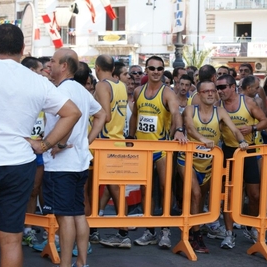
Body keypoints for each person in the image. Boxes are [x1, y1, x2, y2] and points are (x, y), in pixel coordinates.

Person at [0, 23, 81, 267]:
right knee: (11, 240)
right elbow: (72, 113)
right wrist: (44, 145)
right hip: (18, 164)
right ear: (23, 49)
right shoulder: (36, 81)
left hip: (16, 162)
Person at [43, 48, 106, 267]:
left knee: (64, 216)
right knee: (78, 214)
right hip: (78, 162)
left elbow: (71, 117)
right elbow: (101, 115)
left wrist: (60, 142)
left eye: (53, 60)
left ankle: (66, 264)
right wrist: (86, 140)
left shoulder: (61, 91)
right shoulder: (81, 90)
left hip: (62, 164)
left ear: (64, 66)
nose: (49, 64)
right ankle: (81, 262)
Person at [178, 80, 249, 253]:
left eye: (213, 91)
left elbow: (235, 129)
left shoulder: (220, 111)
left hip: (209, 163)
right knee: (195, 193)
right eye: (206, 91)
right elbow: (189, 126)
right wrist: (201, 139)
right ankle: (196, 237)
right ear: (199, 94)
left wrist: (241, 141)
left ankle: (192, 227)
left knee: (200, 197)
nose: (210, 94)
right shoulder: (190, 109)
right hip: (188, 160)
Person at [129, 55, 187, 249]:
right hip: (144, 149)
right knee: (146, 190)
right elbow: (135, 115)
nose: (155, 72)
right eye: (152, 68)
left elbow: (176, 113)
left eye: (159, 69)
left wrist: (179, 130)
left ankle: (165, 230)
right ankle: (150, 230)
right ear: (146, 70)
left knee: (165, 189)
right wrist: (130, 137)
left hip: (162, 148)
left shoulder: (167, 93)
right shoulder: (138, 91)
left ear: (163, 71)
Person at [217, 74, 267, 249]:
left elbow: (264, 121)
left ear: (233, 87)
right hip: (229, 151)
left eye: (223, 87)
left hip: (248, 150)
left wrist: (252, 127)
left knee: (254, 194)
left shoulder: (247, 102)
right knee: (229, 195)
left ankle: (250, 226)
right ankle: (229, 233)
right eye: (218, 88)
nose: (220, 91)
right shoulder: (218, 106)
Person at [93, 55, 129, 248]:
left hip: (106, 141)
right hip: (118, 140)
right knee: (111, 187)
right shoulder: (120, 85)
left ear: (97, 68)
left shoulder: (102, 85)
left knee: (111, 187)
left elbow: (105, 116)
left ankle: (123, 230)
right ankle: (94, 228)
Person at [20, 56, 47, 248]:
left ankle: (27, 230)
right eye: (40, 70)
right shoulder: (16, 90)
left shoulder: (43, 90)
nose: (43, 73)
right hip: (17, 149)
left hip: (38, 148)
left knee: (33, 190)